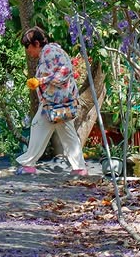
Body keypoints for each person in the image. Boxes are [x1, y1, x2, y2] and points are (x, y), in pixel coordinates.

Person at [14, 27, 88, 175]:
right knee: (67, 134)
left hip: (56, 104)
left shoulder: (49, 52)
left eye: (28, 47)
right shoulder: (49, 52)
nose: (27, 51)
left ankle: (28, 164)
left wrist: (40, 81)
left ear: (36, 43)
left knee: (38, 127)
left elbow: (65, 71)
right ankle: (79, 168)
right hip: (58, 103)